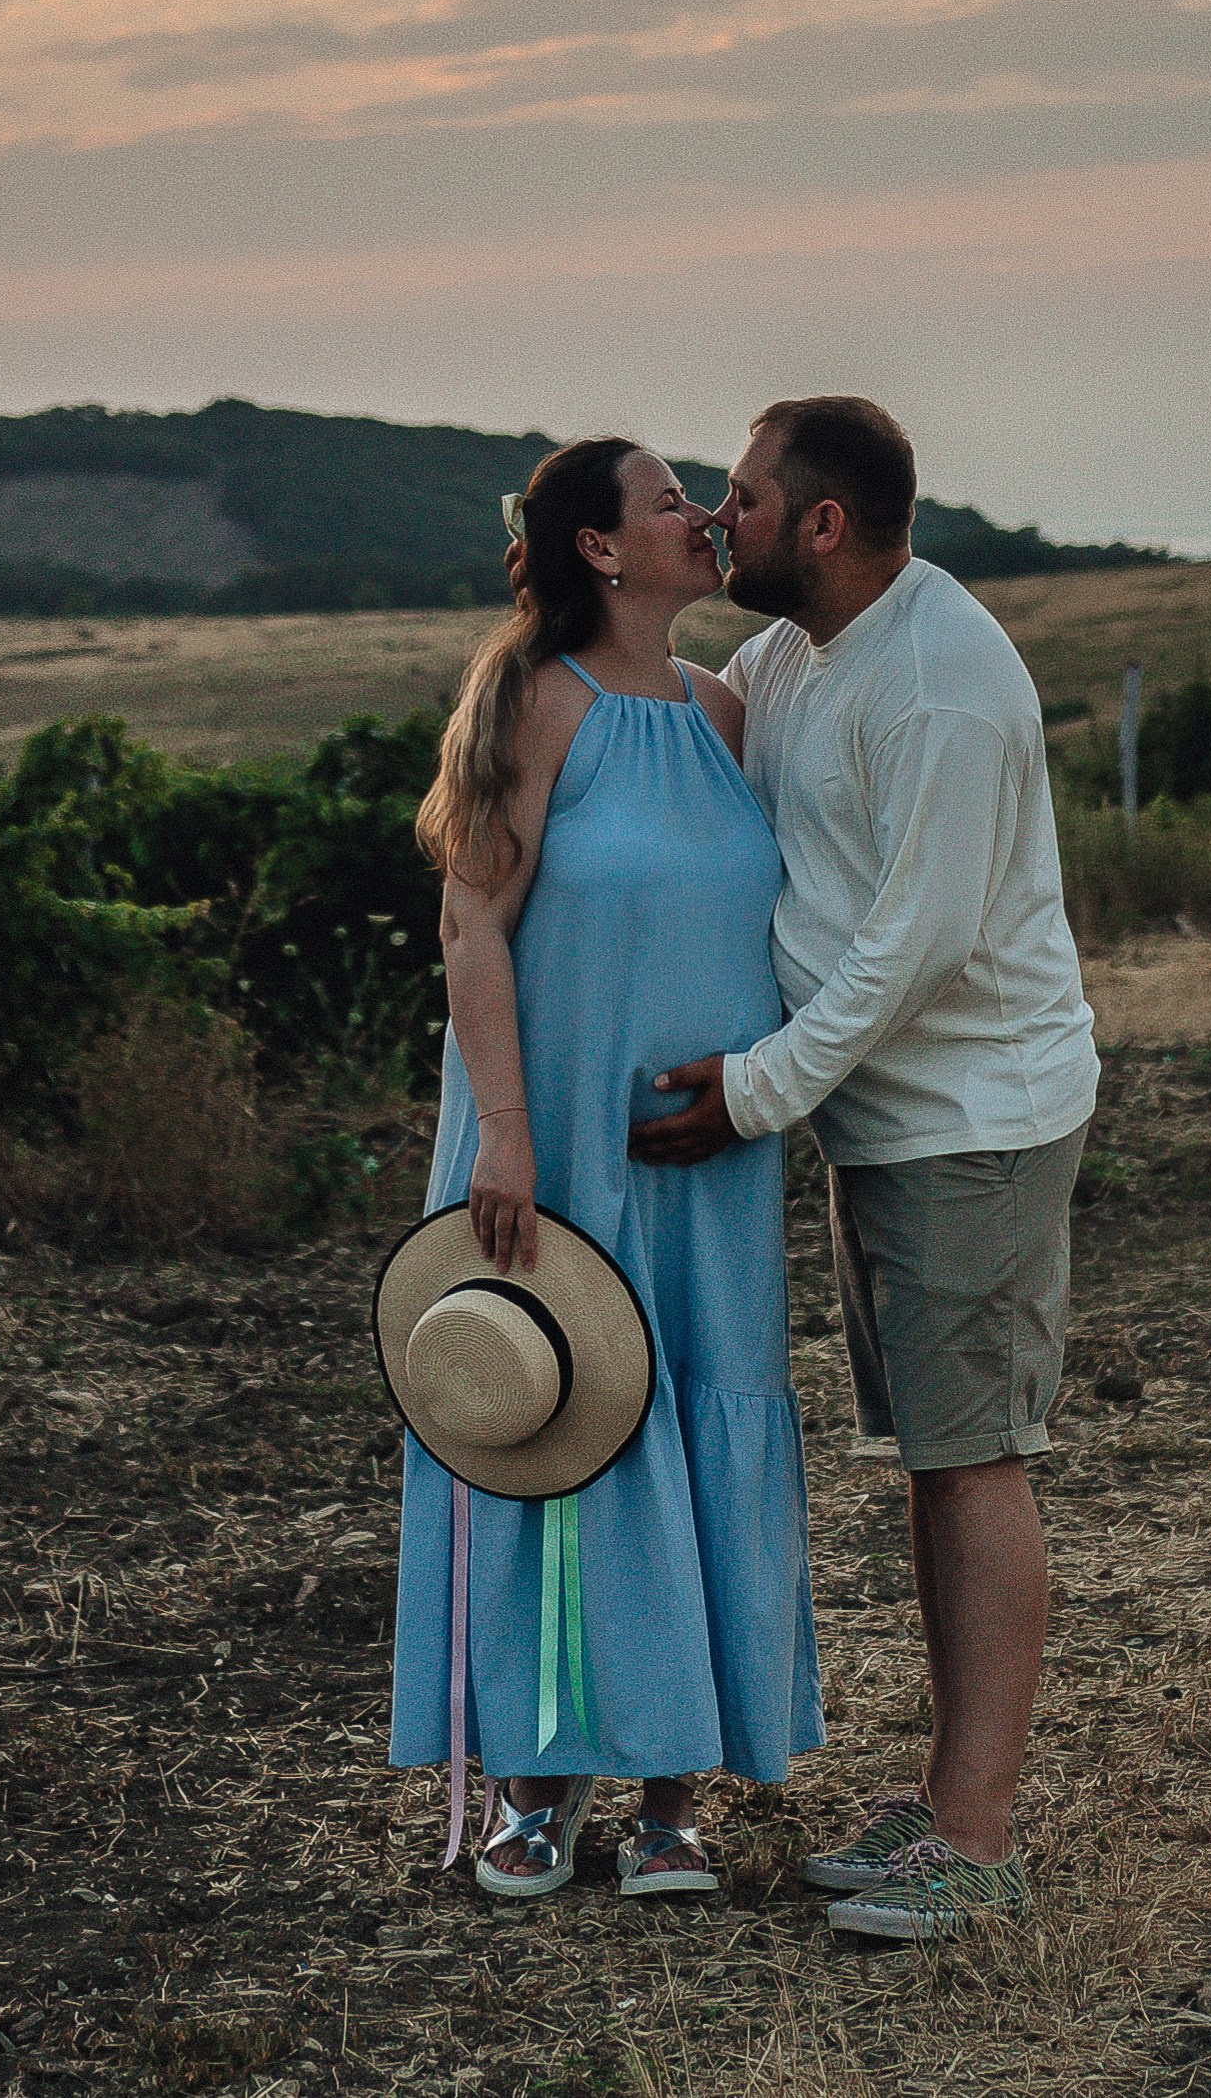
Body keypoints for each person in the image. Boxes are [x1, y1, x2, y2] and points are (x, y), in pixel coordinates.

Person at [632, 394, 1098, 1941]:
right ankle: (946, 1796)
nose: (723, 515)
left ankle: (978, 1837)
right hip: (888, 1126)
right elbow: (696, 715)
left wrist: (757, 1090)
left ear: (823, 523)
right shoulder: (800, 651)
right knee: (932, 1457)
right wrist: (587, 615)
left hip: (974, 1119)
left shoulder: (943, 681)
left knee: (975, 1459)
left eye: (745, 497)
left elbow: (917, 946)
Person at [387, 439, 821, 1898]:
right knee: (559, 1419)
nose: (703, 516)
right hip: (557, 1143)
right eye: (668, 499)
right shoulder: (534, 700)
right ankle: (532, 1787)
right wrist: (507, 1133)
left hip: (709, 1157)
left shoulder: (725, 709)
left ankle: (673, 1800)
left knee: (692, 1414)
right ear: (600, 547)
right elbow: (472, 924)